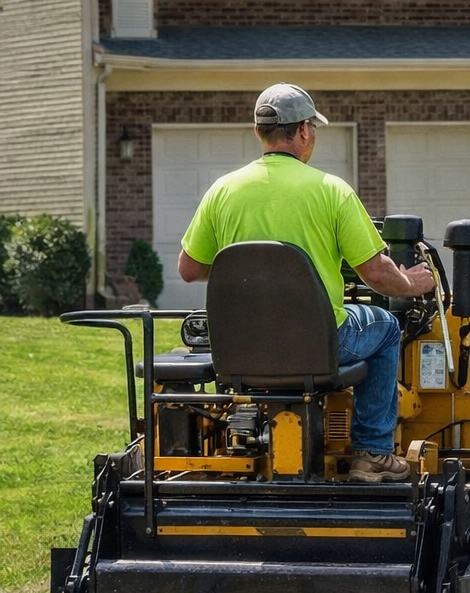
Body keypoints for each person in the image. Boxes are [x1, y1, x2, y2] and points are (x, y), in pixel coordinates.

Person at [177, 83, 434, 483]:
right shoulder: (331, 191)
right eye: (311, 128)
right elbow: (376, 274)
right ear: (303, 132)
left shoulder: (222, 191)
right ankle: (374, 453)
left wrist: (247, 270)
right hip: (316, 345)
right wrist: (413, 284)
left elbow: (190, 269)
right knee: (384, 328)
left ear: (258, 132)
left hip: (240, 348)